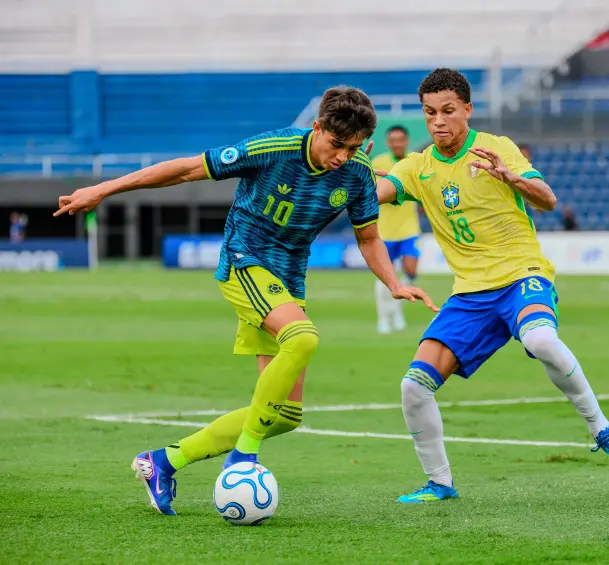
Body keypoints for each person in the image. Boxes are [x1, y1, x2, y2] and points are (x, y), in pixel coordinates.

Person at [54, 86, 438, 516]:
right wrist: (102, 190)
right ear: (317, 127)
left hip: (289, 278)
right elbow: (184, 170)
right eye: (336, 145)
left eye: (353, 148)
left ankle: (161, 462)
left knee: (284, 414)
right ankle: (244, 456)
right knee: (303, 338)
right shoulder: (272, 148)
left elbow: (368, 237)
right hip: (245, 259)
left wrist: (393, 283)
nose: (342, 157)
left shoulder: (357, 172)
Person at [375, 69, 609, 503]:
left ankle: (602, 430)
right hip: (470, 294)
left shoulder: (495, 147)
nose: (437, 121)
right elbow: (376, 193)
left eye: (447, 111)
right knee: (413, 386)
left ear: (467, 109)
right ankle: (440, 483)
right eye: (429, 113)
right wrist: (351, 177)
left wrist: (511, 178)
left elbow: (547, 198)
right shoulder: (417, 167)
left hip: (521, 275)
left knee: (541, 339)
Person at [371, 125, 422, 333]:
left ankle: (397, 310)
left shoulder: (415, 162)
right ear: (388, 142)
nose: (397, 143)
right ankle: (383, 318)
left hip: (409, 229)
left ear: (406, 141)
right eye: (393, 140)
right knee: (385, 276)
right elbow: (371, 193)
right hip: (385, 231)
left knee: (410, 270)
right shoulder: (379, 163)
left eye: (400, 139)